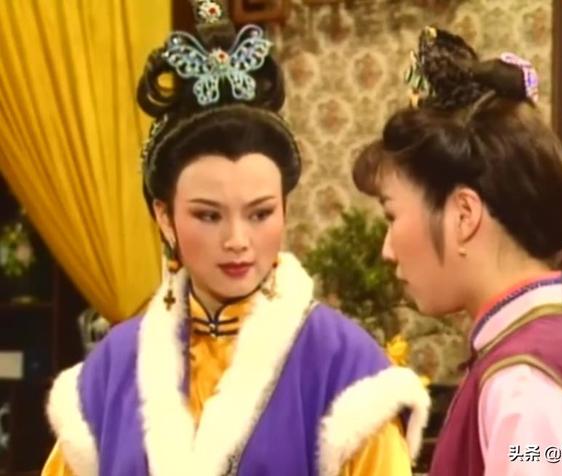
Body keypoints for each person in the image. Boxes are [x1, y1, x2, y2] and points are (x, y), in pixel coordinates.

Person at [42, 2, 429, 475]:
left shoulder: (344, 370)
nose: (238, 240)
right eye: (208, 216)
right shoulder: (109, 372)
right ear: (164, 217)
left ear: (285, 208)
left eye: (260, 213)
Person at [352, 26, 562, 476]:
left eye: (392, 216)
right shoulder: (544, 348)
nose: (388, 250)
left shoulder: (523, 387)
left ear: (464, 214)